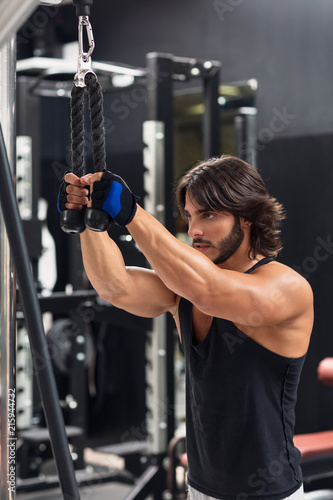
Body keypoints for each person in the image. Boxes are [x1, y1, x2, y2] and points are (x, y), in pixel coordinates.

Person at [59, 155, 313, 500]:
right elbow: (115, 287)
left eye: (209, 215)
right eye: (191, 216)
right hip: (200, 487)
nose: (194, 230)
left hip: (268, 493)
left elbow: (210, 291)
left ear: (249, 218)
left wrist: (131, 212)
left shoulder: (286, 287)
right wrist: (90, 223)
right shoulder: (185, 290)